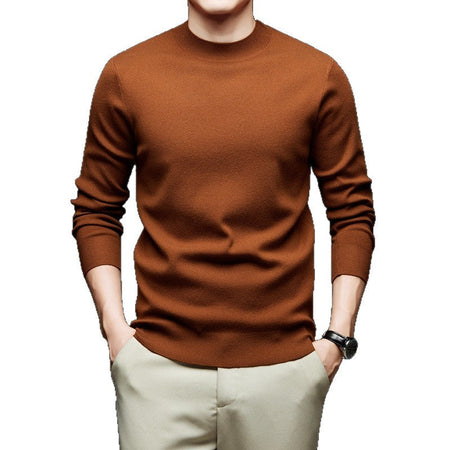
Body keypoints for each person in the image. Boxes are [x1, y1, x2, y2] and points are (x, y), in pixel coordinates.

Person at [70, 0, 376, 448]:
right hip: (156, 369)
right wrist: (115, 331)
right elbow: (96, 207)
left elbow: (351, 210)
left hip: (284, 372)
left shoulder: (318, 75)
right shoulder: (127, 75)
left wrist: (338, 337)